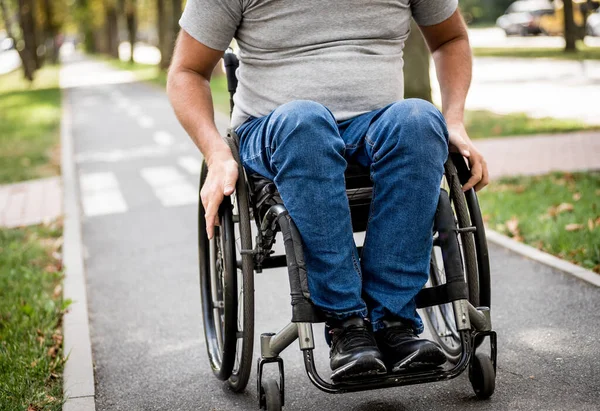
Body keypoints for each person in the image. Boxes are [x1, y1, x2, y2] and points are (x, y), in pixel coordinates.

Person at [167, 0, 489, 382]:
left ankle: (394, 321)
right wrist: (216, 153)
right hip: (275, 129)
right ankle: (347, 324)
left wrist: (453, 119)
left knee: (420, 120)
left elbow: (450, 38)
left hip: (377, 126)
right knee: (305, 121)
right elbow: (187, 71)